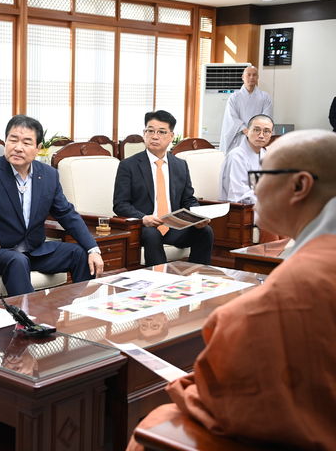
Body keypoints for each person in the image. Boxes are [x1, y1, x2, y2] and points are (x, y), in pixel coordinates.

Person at [128, 130, 336, 451]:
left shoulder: (294, 290)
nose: (255, 188)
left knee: (155, 422)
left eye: (261, 176)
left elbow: (229, 399)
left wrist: (183, 386)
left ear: (299, 186)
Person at [0, 114, 104, 296]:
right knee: (17, 261)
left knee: (80, 254)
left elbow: (67, 214)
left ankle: (78, 312)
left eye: (27, 142)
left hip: (35, 250)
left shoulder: (49, 175)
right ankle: (29, 321)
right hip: (0, 252)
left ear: (38, 148)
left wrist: (93, 249)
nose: (18, 148)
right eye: (13, 140)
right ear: (5, 142)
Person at [113, 110, 214, 266]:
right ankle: (159, 282)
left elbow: (188, 199)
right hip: (145, 227)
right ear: (144, 133)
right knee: (152, 234)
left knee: (205, 232)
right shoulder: (128, 165)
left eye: (161, 132)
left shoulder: (180, 165)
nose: (154, 136)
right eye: (150, 131)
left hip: (174, 227)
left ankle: (198, 277)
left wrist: (198, 216)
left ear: (171, 136)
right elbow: (120, 204)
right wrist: (143, 218)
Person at [219, 114, 273, 203]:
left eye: (266, 131)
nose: (261, 135)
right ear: (247, 132)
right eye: (256, 130)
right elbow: (240, 197)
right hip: (240, 211)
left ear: (271, 134)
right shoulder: (236, 156)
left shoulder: (266, 155)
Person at [219, 65, 273, 154]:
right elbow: (232, 118)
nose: (251, 77)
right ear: (243, 77)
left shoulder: (265, 97)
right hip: (239, 137)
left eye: (254, 75)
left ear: (257, 77)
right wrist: (245, 130)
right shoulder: (234, 97)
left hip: (258, 137)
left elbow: (266, 118)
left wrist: (255, 132)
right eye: (248, 75)